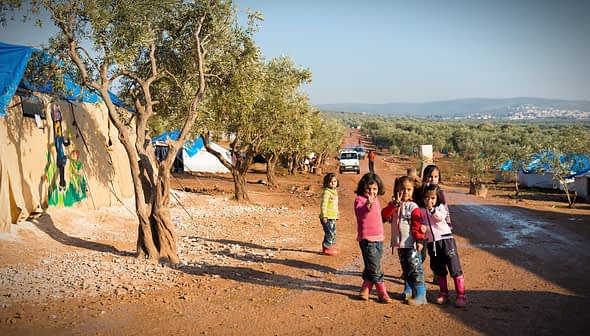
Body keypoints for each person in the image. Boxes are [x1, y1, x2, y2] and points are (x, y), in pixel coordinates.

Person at [419, 183, 467, 307]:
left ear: (437, 198)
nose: (429, 200)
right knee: (439, 269)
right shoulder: (421, 211)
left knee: (454, 267)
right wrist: (421, 228)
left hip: (446, 240)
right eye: (427, 198)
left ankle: (461, 294)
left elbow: (440, 218)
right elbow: (419, 222)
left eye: (432, 198)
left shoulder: (440, 207)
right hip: (432, 243)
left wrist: (432, 209)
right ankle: (443, 293)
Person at [382, 176, 427, 305]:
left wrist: (419, 240)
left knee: (415, 267)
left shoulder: (413, 207)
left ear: (413, 191)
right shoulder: (394, 205)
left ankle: (421, 294)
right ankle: (409, 290)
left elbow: (417, 225)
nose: (405, 192)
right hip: (400, 244)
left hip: (412, 243)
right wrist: (393, 205)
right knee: (406, 268)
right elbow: (384, 216)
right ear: (397, 190)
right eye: (402, 189)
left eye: (409, 189)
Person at [354, 172, 392, 303]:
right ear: (363, 188)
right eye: (368, 189)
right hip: (367, 239)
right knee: (375, 266)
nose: (371, 191)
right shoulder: (360, 200)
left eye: (374, 189)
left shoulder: (376, 200)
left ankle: (365, 289)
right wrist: (367, 205)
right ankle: (382, 292)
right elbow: (360, 213)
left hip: (379, 238)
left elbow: (380, 217)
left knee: (371, 265)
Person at [319, 173, 339, 256]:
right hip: (327, 217)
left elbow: (335, 205)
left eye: (334, 181)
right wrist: (324, 216)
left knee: (333, 232)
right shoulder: (327, 192)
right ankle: (327, 248)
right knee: (329, 232)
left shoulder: (334, 192)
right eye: (331, 181)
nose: (333, 183)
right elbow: (323, 205)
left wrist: (337, 215)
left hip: (332, 217)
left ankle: (327, 247)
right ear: (326, 183)